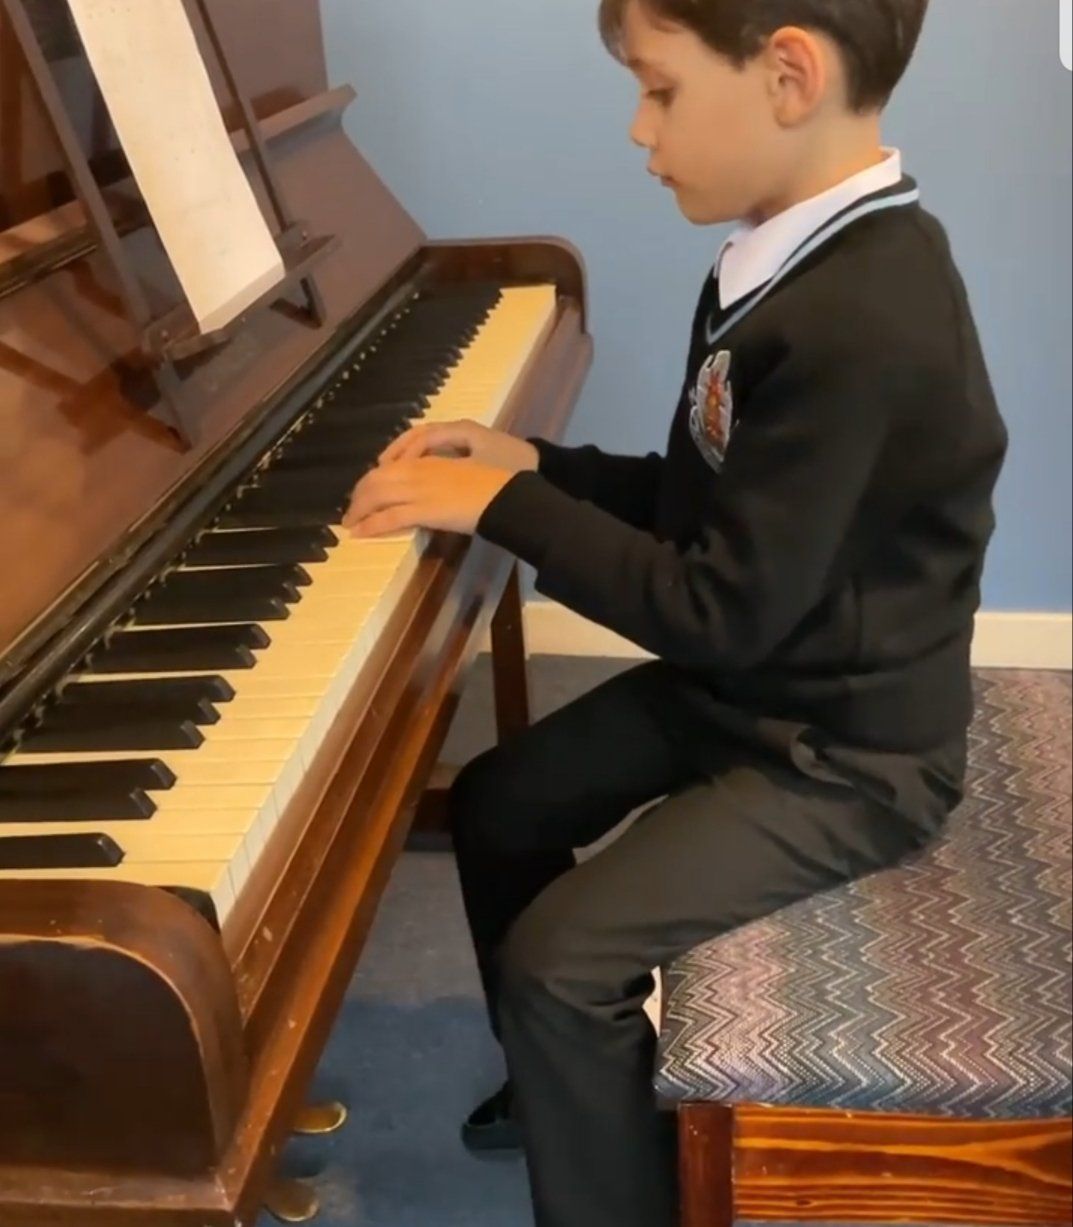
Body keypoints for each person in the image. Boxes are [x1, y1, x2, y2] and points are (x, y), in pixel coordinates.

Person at [343, 1, 1008, 1223]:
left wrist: (501, 508)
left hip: (844, 753)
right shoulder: (781, 257)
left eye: (657, 90)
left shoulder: (865, 320)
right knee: (497, 806)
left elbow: (717, 607)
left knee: (562, 964)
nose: (638, 131)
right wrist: (536, 467)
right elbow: (705, 498)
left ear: (787, 74)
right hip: (761, 680)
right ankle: (563, 1093)